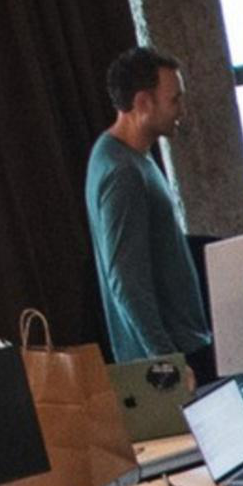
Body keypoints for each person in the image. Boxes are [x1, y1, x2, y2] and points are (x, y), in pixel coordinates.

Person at [88, 48, 208, 369]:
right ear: (143, 103)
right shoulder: (122, 172)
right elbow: (126, 282)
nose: (181, 110)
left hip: (178, 347)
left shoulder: (123, 154)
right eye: (174, 100)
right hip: (168, 359)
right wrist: (168, 361)